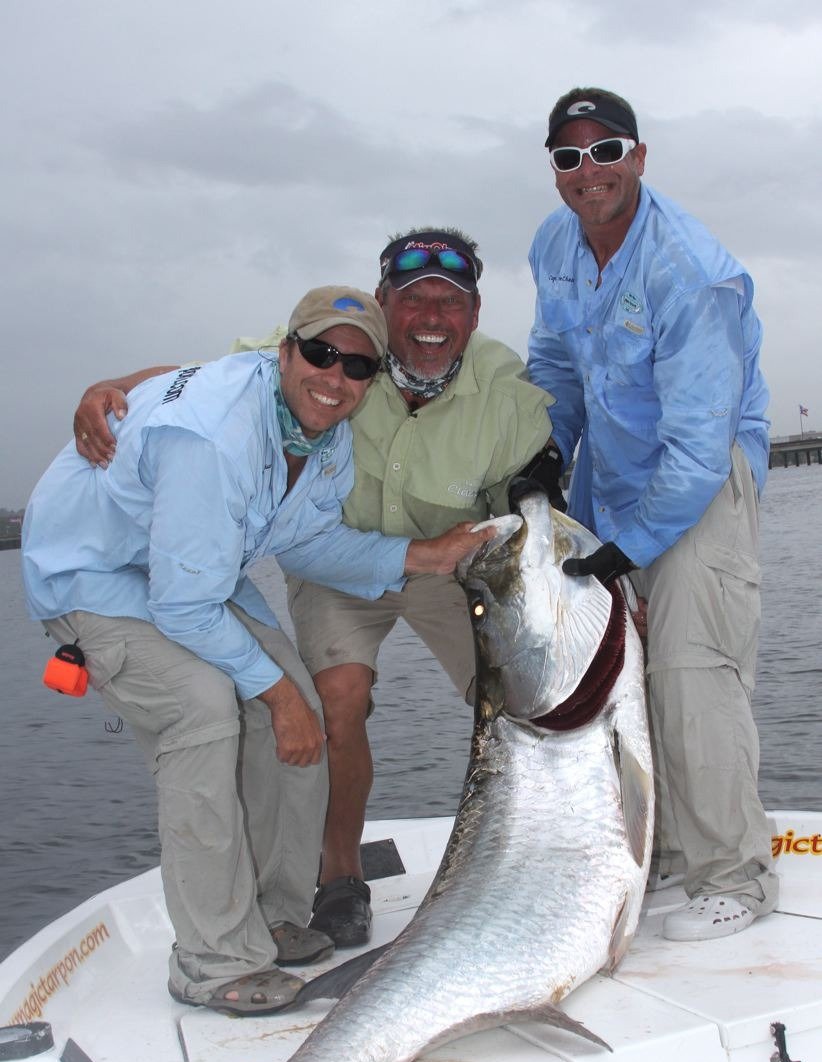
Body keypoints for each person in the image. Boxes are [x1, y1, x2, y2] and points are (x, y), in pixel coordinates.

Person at [72, 229, 557, 948]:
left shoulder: (506, 390)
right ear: (382, 303)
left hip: (440, 559)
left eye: (448, 302)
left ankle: (541, 856)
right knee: (337, 700)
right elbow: (211, 376)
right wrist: (112, 388)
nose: (430, 315)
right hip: (334, 560)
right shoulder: (332, 349)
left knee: (527, 700)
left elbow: (535, 493)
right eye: (412, 297)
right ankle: (338, 879)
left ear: (475, 315)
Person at [23, 286, 492, 1014]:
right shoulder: (217, 436)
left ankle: (275, 915)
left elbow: (308, 540)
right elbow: (183, 604)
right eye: (319, 353)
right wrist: (270, 694)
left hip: (186, 566)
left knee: (300, 699)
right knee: (206, 707)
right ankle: (212, 962)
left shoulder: (322, 435)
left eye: (358, 365)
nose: (334, 377)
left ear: (373, 380)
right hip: (92, 572)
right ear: (284, 351)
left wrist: (424, 557)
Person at [527, 88, 778, 941]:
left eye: (606, 152)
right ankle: (666, 849)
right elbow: (554, 359)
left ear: (638, 157)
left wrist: (623, 551)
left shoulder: (689, 272)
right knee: (622, 677)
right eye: (569, 156)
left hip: (699, 483)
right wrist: (547, 448)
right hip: (616, 480)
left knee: (691, 670)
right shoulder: (555, 243)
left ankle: (735, 875)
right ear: (555, 171)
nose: (587, 171)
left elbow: (701, 449)